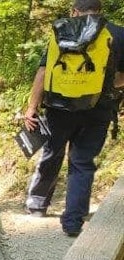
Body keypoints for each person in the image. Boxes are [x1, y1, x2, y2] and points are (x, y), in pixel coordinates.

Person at [23, 0, 124, 237]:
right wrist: (103, 86)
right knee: (82, 163)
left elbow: (44, 71)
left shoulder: (61, 30)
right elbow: (121, 78)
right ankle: (73, 222)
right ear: (100, 11)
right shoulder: (117, 33)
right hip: (98, 110)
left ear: (74, 11)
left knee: (52, 152)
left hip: (59, 108)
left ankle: (37, 205)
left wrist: (32, 107)